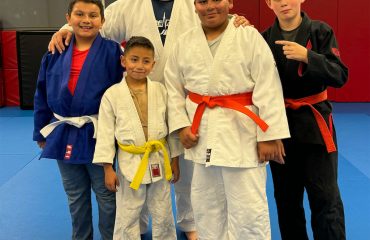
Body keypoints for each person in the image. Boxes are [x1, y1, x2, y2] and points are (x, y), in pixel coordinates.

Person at [48, 1, 249, 239]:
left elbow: (213, 17)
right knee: (134, 170)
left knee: (186, 168)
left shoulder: (191, 4)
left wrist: (237, 21)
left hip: (182, 97)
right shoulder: (129, 5)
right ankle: (138, 225)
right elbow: (94, 22)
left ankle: (189, 221)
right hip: (137, 96)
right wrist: (67, 30)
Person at [164, 0, 290, 239]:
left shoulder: (248, 36)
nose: (210, 6)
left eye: (217, 0)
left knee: (248, 210)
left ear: (230, 2)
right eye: (202, 1)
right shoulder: (184, 42)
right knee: (206, 208)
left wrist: (270, 135)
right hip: (201, 135)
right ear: (194, 6)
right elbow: (173, 88)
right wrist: (181, 126)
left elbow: (269, 85)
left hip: (242, 137)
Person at [32, 1, 123, 239]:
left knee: (106, 194)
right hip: (63, 133)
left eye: (93, 15)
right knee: (75, 194)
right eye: (79, 14)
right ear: (68, 18)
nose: (86, 20)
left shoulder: (113, 52)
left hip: (98, 134)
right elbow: (41, 93)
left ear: (102, 21)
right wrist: (40, 131)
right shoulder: (55, 51)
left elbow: (123, 95)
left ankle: (111, 236)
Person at [262, 0, 348, 239]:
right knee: (287, 200)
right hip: (282, 127)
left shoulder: (321, 31)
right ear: (269, 4)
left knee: (326, 197)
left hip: (316, 126)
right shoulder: (264, 38)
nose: (283, 2)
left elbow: (340, 74)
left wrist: (309, 56)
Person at [93, 36, 181, 240]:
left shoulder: (161, 90)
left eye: (145, 61)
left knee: (163, 211)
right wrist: (107, 168)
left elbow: (172, 128)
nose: (139, 66)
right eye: (134, 59)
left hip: (159, 157)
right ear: (123, 61)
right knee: (128, 212)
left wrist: (175, 160)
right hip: (129, 162)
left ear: (153, 64)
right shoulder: (112, 94)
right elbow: (105, 133)